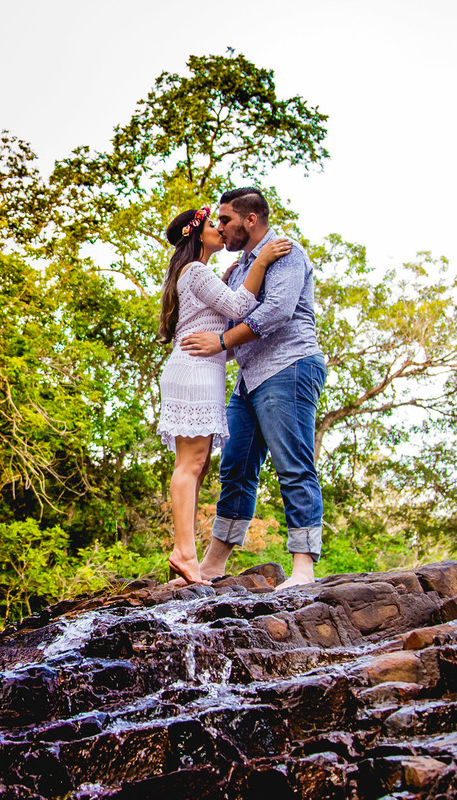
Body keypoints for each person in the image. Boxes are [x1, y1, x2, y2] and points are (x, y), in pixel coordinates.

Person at [180, 187, 326, 590]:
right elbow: (231, 321)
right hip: (250, 379)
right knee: (236, 467)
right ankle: (213, 564)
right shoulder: (241, 267)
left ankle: (303, 568)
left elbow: (276, 311)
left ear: (250, 219)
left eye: (225, 219)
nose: (220, 226)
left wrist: (222, 342)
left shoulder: (285, 251)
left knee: (293, 463)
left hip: (289, 367)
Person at [156, 205, 290, 586]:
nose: (219, 228)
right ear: (197, 234)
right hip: (194, 373)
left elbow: (219, 325)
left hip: (201, 371)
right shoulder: (196, 271)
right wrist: (261, 261)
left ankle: (184, 559)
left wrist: (230, 280)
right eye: (212, 224)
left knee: (195, 467)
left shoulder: (199, 273)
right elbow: (239, 307)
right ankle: (184, 553)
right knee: (190, 465)